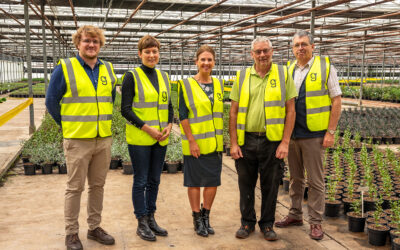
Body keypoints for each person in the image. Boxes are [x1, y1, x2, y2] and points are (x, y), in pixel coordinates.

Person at [46, 25, 116, 250]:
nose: (91, 45)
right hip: (77, 140)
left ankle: (94, 227)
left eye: (95, 41)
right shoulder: (65, 68)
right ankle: (72, 233)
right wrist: (68, 127)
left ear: (100, 44)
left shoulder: (108, 69)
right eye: (87, 41)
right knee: (74, 188)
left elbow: (110, 100)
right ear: (78, 44)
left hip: (102, 139)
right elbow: (51, 102)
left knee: (98, 186)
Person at [274, 31, 342, 240]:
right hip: (292, 135)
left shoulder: (325, 67)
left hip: (314, 135)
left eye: (304, 44)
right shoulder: (288, 70)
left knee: (315, 181)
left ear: (313, 46)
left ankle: (315, 221)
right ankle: (295, 214)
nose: (300, 48)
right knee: (295, 179)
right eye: (296, 45)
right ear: (292, 49)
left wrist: (330, 132)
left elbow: (336, 101)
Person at [229, 37, 297, 241]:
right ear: (252, 54)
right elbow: (233, 112)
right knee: (245, 184)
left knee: (271, 184)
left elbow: (291, 110)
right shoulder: (242, 77)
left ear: (272, 51)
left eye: (265, 50)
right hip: (246, 140)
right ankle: (247, 222)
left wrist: (285, 142)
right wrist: (233, 143)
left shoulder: (283, 74)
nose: (262, 55)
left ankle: (267, 224)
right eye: (258, 51)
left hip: (272, 142)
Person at [121, 35, 173, 242]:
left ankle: (151, 217)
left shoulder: (164, 77)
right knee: (140, 180)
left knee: (155, 180)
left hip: (161, 139)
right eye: (148, 52)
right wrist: (147, 129)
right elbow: (125, 109)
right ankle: (141, 221)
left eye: (155, 51)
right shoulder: (131, 76)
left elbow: (168, 105)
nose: (152, 55)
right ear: (140, 54)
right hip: (140, 139)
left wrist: (169, 124)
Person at [178, 45, 224, 237]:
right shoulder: (186, 84)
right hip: (195, 144)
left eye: (210, 60)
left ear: (214, 62)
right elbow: (183, 115)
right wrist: (191, 141)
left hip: (215, 144)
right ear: (196, 62)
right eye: (202, 59)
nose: (206, 63)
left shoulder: (219, 84)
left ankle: (206, 216)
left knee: (212, 182)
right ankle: (197, 218)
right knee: (195, 182)